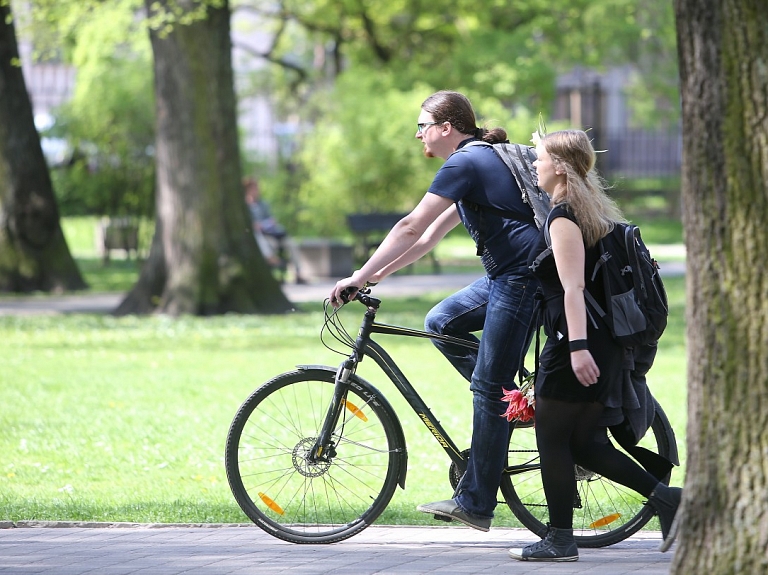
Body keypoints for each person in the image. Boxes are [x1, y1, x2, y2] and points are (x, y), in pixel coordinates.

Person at [329, 90, 540, 532]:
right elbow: (425, 240)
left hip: (522, 278)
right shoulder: (474, 162)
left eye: (424, 124)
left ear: (448, 127)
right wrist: (374, 276)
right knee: (441, 322)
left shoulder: (466, 161)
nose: (419, 133)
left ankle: (477, 502)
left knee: (489, 387)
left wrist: (356, 275)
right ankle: (521, 402)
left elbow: (409, 224)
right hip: (510, 275)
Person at [507, 129, 681, 562]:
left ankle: (560, 539)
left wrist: (578, 348)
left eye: (540, 158)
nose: (534, 165)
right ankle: (668, 499)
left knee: (551, 438)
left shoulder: (564, 216)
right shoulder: (593, 210)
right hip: (602, 344)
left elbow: (573, 289)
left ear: (560, 167)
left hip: (576, 343)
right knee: (585, 444)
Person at [243, 177, 306, 283]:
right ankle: (274, 271)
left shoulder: (263, 204)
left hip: (272, 232)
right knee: (270, 245)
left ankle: (298, 273)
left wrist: (269, 223)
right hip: (262, 236)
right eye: (254, 188)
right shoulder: (244, 206)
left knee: (291, 244)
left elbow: (270, 218)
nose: (256, 191)